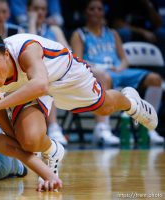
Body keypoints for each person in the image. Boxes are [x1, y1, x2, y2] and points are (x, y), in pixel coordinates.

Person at [0, 31, 158, 173]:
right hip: (26, 88)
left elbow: (40, 85)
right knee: (29, 141)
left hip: (63, 75)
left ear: (6, 55)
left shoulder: (26, 49)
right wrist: (16, 139)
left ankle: (132, 103)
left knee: (104, 108)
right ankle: (52, 149)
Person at [70, 0, 164, 145]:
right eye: (92, 9)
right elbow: (77, 61)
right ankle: (103, 128)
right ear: (85, 13)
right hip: (96, 71)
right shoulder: (79, 34)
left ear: (103, 12)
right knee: (103, 76)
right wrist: (96, 68)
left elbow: (124, 59)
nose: (96, 12)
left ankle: (148, 126)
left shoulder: (113, 33)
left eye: (99, 9)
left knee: (155, 79)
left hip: (117, 70)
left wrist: (121, 67)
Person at [27, 0, 69, 146]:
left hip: (54, 72)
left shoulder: (55, 30)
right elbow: (31, 46)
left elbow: (67, 52)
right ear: (29, 10)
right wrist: (31, 22)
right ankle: (53, 126)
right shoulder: (21, 30)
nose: (40, 12)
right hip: (29, 75)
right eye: (36, 9)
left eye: (43, 9)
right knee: (43, 80)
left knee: (48, 79)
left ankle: (52, 126)